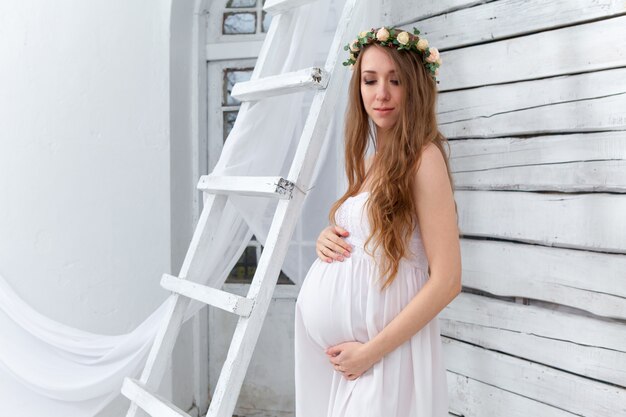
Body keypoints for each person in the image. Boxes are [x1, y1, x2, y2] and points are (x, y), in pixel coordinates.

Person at [293, 26, 461, 417]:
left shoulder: (424, 159)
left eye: (395, 80)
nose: (380, 94)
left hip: (385, 356)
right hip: (349, 363)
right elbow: (367, 238)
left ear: (415, 88)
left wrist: (369, 354)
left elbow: (448, 280)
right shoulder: (367, 164)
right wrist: (326, 239)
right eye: (370, 80)